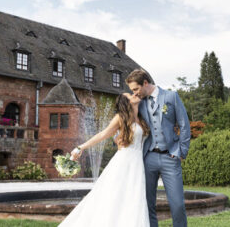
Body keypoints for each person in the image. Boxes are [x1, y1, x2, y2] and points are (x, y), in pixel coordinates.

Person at [59, 93, 150, 227]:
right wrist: (81, 147)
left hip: (137, 162)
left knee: (134, 197)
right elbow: (103, 134)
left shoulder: (141, 118)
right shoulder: (120, 117)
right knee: (114, 196)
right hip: (124, 161)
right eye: (130, 95)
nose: (134, 94)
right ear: (126, 102)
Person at [126, 69, 191, 227]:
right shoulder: (139, 102)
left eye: (135, 89)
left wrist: (181, 152)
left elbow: (184, 125)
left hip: (170, 156)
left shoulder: (171, 97)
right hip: (148, 158)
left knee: (177, 205)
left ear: (145, 83)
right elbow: (128, 123)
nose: (134, 93)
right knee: (148, 204)